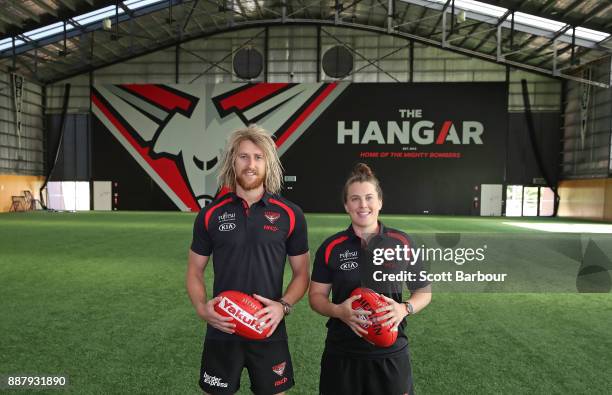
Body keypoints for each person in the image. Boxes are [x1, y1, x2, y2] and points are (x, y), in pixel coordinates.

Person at [186, 125, 310, 395]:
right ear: (232, 161)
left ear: (268, 163)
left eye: (258, 157)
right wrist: (200, 307)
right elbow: (195, 271)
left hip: (269, 328)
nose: (250, 164)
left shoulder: (291, 214)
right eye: (243, 156)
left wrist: (283, 306)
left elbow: (302, 274)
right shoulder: (210, 215)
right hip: (223, 328)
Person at [309, 163, 432, 395]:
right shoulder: (331, 247)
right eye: (355, 199)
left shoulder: (402, 242)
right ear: (346, 205)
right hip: (343, 353)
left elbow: (424, 291)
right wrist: (339, 311)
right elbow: (316, 296)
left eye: (369, 197)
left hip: (391, 353)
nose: (363, 205)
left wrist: (404, 308)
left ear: (380, 202)